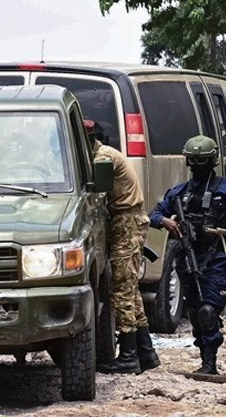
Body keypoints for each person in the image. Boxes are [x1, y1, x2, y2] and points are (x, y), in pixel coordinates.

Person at [149, 135, 226, 375]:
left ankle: (210, 364)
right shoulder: (180, 193)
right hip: (187, 260)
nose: (198, 166)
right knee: (194, 312)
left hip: (214, 259)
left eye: (202, 161)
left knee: (208, 311)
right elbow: (154, 214)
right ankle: (204, 358)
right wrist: (166, 223)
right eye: (194, 161)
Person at [86, 119, 160, 375]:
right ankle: (145, 351)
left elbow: (94, 191)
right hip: (125, 220)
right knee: (130, 288)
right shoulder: (99, 153)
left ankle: (129, 355)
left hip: (126, 221)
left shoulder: (102, 157)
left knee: (121, 289)